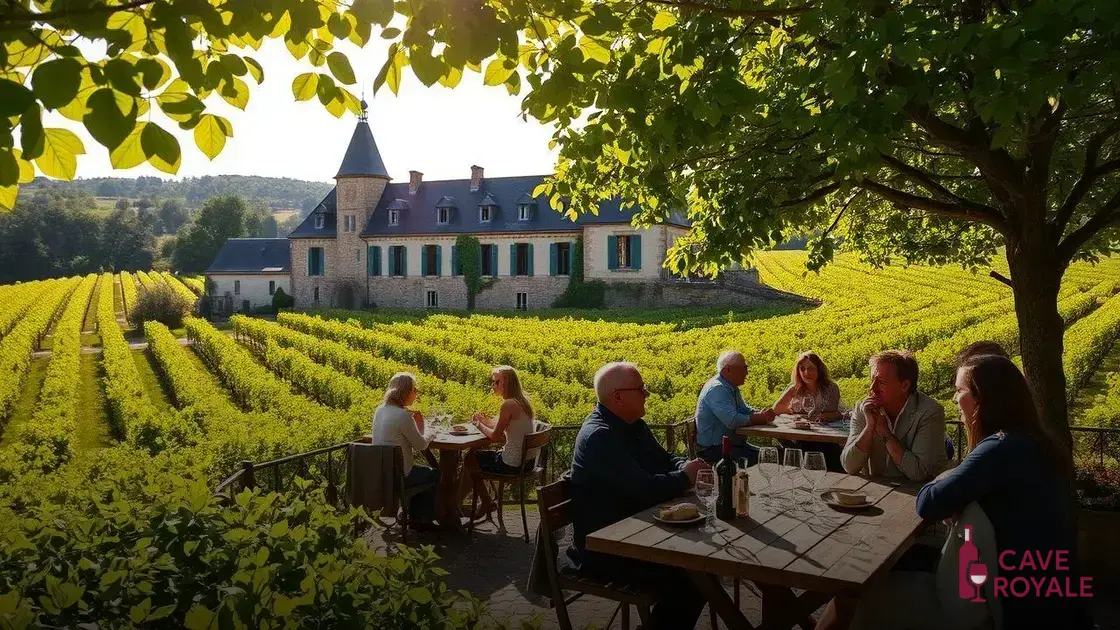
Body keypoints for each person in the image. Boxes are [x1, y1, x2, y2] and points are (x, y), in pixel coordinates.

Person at [915, 354, 1088, 629]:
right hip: (1054, 596)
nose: (954, 400)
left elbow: (928, 502)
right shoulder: (1035, 442)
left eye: (960, 390)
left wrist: (947, 480)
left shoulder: (1000, 448)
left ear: (984, 399)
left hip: (1021, 607)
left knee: (873, 601)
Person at [567, 362, 709, 630]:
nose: (647, 394)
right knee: (696, 574)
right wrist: (685, 477)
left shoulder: (634, 426)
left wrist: (684, 468)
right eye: (641, 389)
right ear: (618, 398)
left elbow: (665, 459)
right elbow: (643, 489)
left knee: (704, 565)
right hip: (607, 550)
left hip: (639, 534)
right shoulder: (600, 437)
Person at [841, 350, 947, 482]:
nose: (872, 388)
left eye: (881, 382)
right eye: (872, 380)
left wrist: (884, 431)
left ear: (904, 385)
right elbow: (849, 466)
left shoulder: (929, 412)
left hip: (917, 494)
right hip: (875, 493)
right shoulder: (864, 408)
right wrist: (869, 427)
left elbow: (919, 472)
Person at [459, 365, 538, 520]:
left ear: (508, 382)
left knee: (470, 459)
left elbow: (495, 436)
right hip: (528, 462)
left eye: (497, 382)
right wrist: (484, 421)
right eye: (493, 382)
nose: (493, 386)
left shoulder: (508, 405)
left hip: (512, 463)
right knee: (473, 457)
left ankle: (481, 502)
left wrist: (478, 425)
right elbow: (499, 424)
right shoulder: (522, 402)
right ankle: (474, 502)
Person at [371, 372, 439, 530]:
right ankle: (422, 520)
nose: (416, 393)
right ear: (406, 391)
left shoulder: (380, 410)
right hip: (401, 477)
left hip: (382, 474)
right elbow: (422, 445)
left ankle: (411, 515)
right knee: (433, 473)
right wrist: (432, 432)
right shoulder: (402, 416)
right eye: (415, 389)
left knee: (420, 472)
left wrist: (419, 427)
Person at [694, 350, 776, 464]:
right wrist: (757, 418)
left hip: (731, 446)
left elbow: (744, 409)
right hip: (714, 451)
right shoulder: (717, 389)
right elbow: (732, 421)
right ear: (728, 370)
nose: (747, 372)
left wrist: (760, 413)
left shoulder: (731, 387)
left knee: (772, 455)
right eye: (744, 368)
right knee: (771, 458)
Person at [773, 352, 844, 470]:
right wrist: (793, 413)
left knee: (825, 450)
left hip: (823, 436)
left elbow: (836, 414)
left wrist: (824, 416)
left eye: (811, 368)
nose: (806, 373)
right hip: (800, 435)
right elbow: (776, 409)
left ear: (819, 370)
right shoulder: (794, 388)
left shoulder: (830, 388)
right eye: (802, 369)